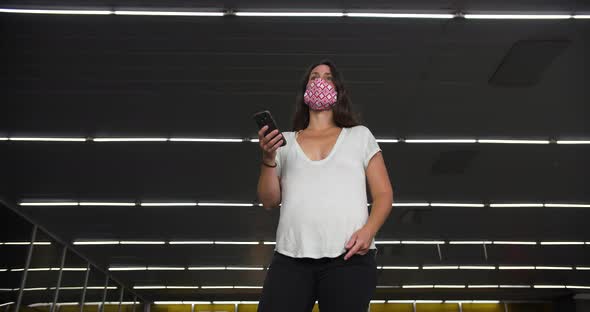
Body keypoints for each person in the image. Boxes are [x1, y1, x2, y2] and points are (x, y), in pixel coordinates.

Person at [256, 59, 394, 311]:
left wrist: (368, 231)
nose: (320, 80)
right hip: (291, 258)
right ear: (304, 90)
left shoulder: (359, 136)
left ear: (338, 89)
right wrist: (268, 159)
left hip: (349, 257)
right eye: (314, 76)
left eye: (328, 77)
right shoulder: (284, 143)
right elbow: (269, 200)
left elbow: (384, 194)